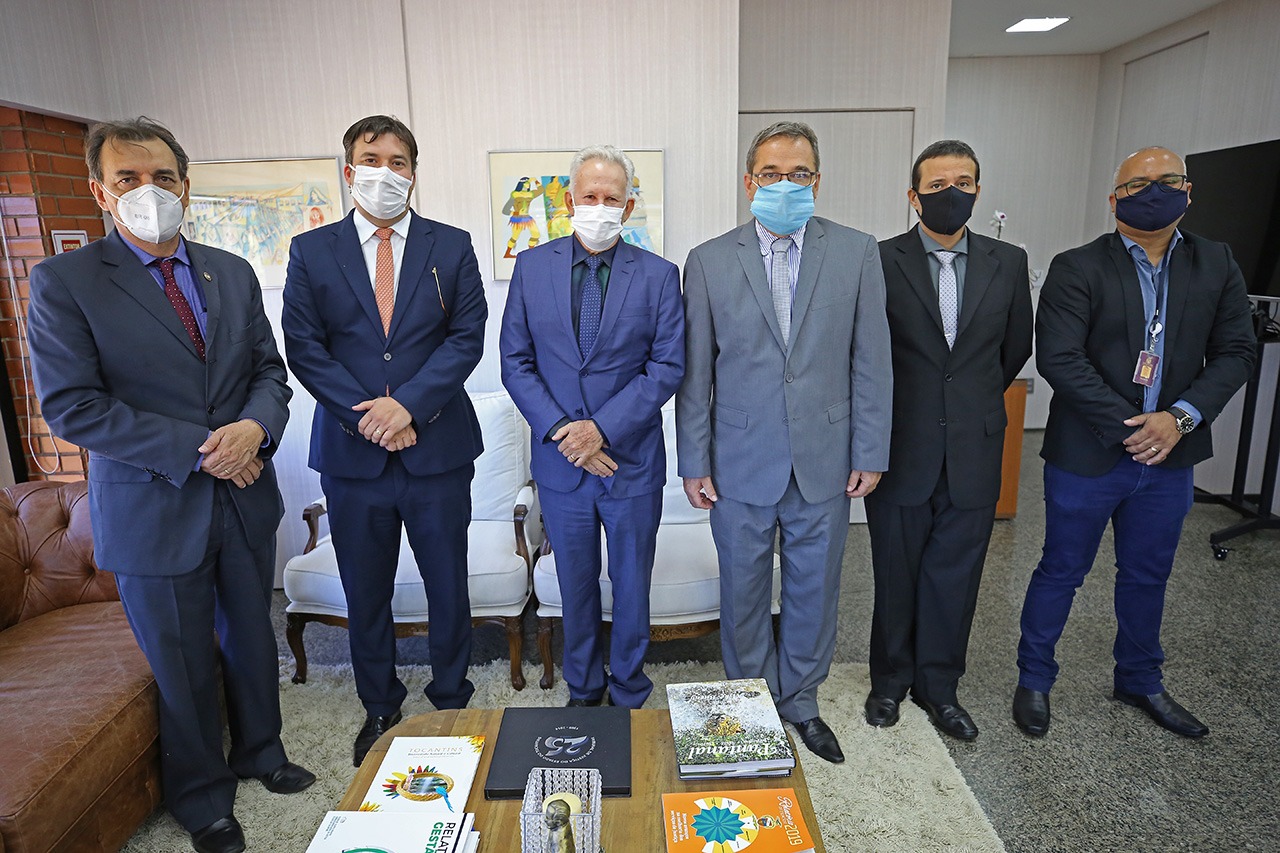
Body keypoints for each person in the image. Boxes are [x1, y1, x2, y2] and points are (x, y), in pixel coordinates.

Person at [26, 118, 312, 853]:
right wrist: (206, 450)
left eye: (161, 177)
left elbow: (268, 372)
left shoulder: (230, 271)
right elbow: (74, 406)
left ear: (185, 185)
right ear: (100, 192)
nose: (147, 191)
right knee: (180, 662)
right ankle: (203, 796)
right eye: (127, 178)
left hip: (245, 494)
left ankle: (262, 752)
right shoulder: (65, 282)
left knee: (252, 634)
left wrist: (255, 428)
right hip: (154, 506)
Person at [1014, 146, 1256, 739]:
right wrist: (1136, 427)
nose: (1154, 192)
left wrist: (1179, 419)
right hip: (1088, 454)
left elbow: (1236, 351)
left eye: (1168, 180)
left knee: (1148, 575)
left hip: (1171, 458)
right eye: (1138, 184)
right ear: (1114, 198)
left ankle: (1140, 680)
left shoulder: (1216, 262)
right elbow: (1060, 358)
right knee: (1061, 570)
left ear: (1188, 192)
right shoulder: (1077, 266)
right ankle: (1034, 679)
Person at [675, 121, 893, 762]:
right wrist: (693, 460)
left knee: (813, 590)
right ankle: (748, 701)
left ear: (817, 181)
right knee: (742, 590)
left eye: (799, 174)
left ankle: (800, 700)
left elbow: (871, 361)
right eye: (771, 174)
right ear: (750, 183)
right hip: (739, 461)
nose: (785, 184)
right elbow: (696, 375)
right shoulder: (709, 261)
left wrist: (870, 451)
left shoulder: (856, 252)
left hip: (825, 459)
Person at [281, 115, 487, 765]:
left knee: (447, 586)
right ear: (349, 172)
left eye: (398, 162)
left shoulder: (451, 245)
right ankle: (379, 705)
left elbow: (467, 339)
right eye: (372, 160)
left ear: (413, 174)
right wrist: (368, 416)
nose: (385, 172)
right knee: (365, 590)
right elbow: (304, 348)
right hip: (352, 454)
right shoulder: (311, 251)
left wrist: (410, 407)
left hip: (438, 449)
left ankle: (450, 698)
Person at [500, 145, 684, 708]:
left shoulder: (658, 275)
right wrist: (567, 433)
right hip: (562, 468)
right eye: (590, 196)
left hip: (631, 464)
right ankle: (583, 689)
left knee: (631, 586)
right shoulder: (531, 268)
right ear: (569, 201)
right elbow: (516, 362)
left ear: (628, 207)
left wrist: (600, 429)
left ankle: (628, 689)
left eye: (612, 198)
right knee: (574, 588)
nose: (600, 206)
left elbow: (666, 366)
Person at [865, 140, 1033, 740]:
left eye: (962, 182)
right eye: (937, 186)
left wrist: (965, 404)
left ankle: (940, 688)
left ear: (978, 191)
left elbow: (1015, 348)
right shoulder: (879, 260)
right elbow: (867, 352)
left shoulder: (1008, 261)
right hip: (899, 445)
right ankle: (889, 681)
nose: (951, 193)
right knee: (896, 571)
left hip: (974, 446)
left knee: (955, 578)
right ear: (914, 197)